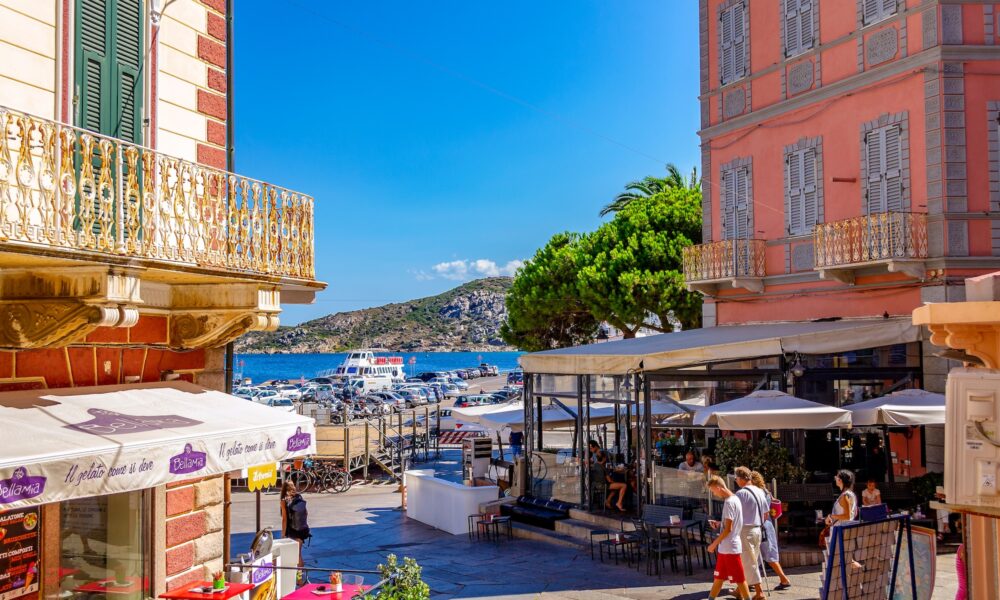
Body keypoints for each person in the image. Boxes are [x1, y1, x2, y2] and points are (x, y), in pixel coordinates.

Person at [706, 476, 752, 600]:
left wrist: (714, 544)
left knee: (740, 579)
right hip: (727, 548)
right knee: (719, 577)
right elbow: (731, 524)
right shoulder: (735, 499)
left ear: (719, 487)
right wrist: (720, 524)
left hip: (729, 547)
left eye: (713, 491)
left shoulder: (729, 502)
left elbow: (728, 529)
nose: (714, 494)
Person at [750, 470, 792, 592]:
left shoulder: (759, 492)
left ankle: (784, 579)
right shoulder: (766, 491)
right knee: (758, 556)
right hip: (766, 525)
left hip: (762, 526)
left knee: (768, 555)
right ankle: (751, 582)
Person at [733, 466, 767, 599]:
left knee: (749, 562)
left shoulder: (741, 494)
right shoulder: (760, 491)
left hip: (745, 530)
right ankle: (740, 590)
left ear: (741, 479)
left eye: (736, 478)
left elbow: (734, 515)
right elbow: (765, 514)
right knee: (748, 561)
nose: (736, 481)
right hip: (757, 529)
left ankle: (759, 592)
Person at [280, 481, 310, 579]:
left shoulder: (284, 500)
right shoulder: (299, 497)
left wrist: (283, 534)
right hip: (301, 530)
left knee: (295, 556)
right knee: (298, 554)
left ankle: (299, 579)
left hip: (292, 530)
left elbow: (284, 519)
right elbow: (306, 513)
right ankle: (299, 578)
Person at [824, 469, 858, 543]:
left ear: (840, 480)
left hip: (840, 533)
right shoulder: (851, 494)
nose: (835, 478)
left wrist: (832, 516)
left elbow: (847, 516)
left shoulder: (844, 496)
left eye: (836, 477)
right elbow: (854, 513)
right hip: (846, 531)